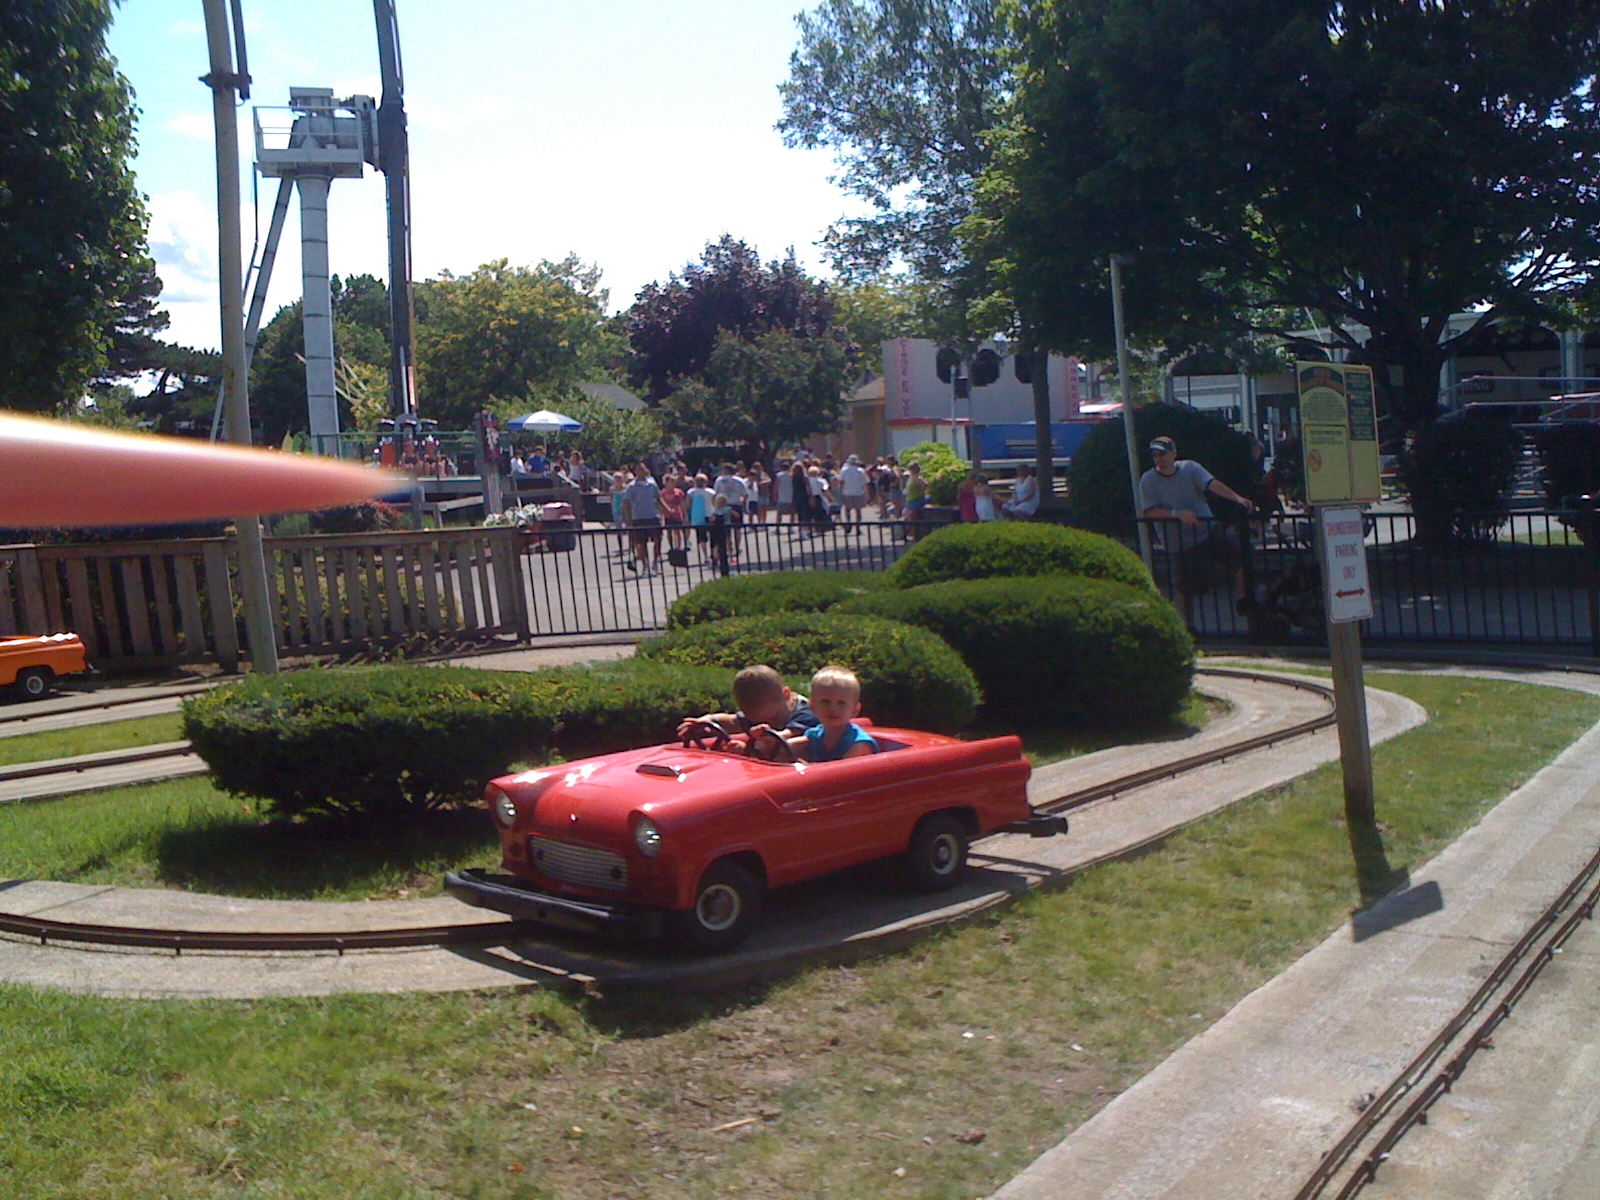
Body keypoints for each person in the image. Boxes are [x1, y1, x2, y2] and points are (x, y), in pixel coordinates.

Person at [1138, 434, 1254, 601]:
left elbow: (1211, 484)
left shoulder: (1190, 468)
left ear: (1173, 453)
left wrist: (1237, 498)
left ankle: (1244, 599)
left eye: (1162, 454)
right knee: (1185, 589)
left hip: (1206, 530)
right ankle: (1186, 625)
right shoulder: (1148, 480)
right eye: (1154, 455)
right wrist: (1176, 514)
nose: (1158, 459)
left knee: (1243, 554)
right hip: (1179, 543)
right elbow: (1149, 511)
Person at [677, 664, 820, 755]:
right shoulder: (762, 711)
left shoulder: (806, 714)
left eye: (771, 719)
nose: (764, 723)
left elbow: (781, 739)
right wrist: (706, 721)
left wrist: (747, 749)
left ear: (786, 695)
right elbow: (732, 721)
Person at [759, 665, 879, 762]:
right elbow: (785, 747)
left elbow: (841, 775)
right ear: (813, 707)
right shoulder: (816, 735)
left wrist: (807, 768)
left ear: (855, 710)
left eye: (841, 703)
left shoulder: (859, 744)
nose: (833, 709)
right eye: (825, 702)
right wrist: (767, 740)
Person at [623, 462, 664, 573]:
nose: (641, 471)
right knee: (641, 543)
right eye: (639, 469)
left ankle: (655, 562)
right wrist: (629, 519)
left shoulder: (652, 484)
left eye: (643, 469)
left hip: (653, 516)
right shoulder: (632, 486)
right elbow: (626, 503)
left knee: (658, 540)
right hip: (639, 518)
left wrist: (665, 510)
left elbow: (658, 498)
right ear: (636, 472)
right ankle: (645, 564)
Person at [837, 454, 869, 533]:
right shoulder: (861, 471)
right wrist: (866, 493)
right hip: (859, 492)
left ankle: (848, 524)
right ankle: (858, 526)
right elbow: (865, 483)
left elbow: (841, 482)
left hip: (847, 492)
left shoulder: (844, 471)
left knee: (847, 509)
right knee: (858, 511)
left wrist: (841, 492)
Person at [687, 472, 715, 558]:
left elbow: (688, 505)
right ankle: (713, 554)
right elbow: (715, 504)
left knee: (702, 537)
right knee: (713, 537)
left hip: (698, 517)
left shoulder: (691, 492)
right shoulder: (711, 492)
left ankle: (705, 556)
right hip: (710, 515)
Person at [706, 493, 735, 576]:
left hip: (718, 528)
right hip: (727, 526)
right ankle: (731, 555)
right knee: (728, 541)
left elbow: (712, 519)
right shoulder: (728, 509)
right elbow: (736, 514)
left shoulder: (715, 510)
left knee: (717, 544)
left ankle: (715, 556)